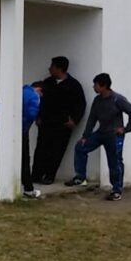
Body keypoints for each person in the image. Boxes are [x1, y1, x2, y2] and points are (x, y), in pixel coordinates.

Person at [64, 73, 131, 201]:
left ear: (104, 86)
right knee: (80, 147)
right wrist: (85, 136)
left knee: (115, 161)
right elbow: (92, 119)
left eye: (96, 85)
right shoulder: (97, 100)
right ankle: (80, 177)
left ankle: (116, 190)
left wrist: (126, 129)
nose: (94, 87)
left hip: (114, 136)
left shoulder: (117, 99)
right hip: (101, 133)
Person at [31, 56, 86, 185]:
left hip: (63, 125)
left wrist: (74, 120)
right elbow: (38, 100)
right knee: (41, 149)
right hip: (46, 122)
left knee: (57, 151)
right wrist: (37, 116)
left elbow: (81, 104)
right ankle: (36, 175)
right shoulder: (47, 83)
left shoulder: (73, 85)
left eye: (52, 67)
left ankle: (50, 176)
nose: (49, 69)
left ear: (59, 68)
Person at [0, 82, 44, 198]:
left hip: (2, 131)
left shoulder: (15, 90)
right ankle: (28, 189)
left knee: (1, 158)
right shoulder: (34, 96)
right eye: (42, 95)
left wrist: (1, 126)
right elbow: (32, 115)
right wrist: (25, 128)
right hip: (19, 131)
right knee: (24, 159)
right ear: (39, 90)